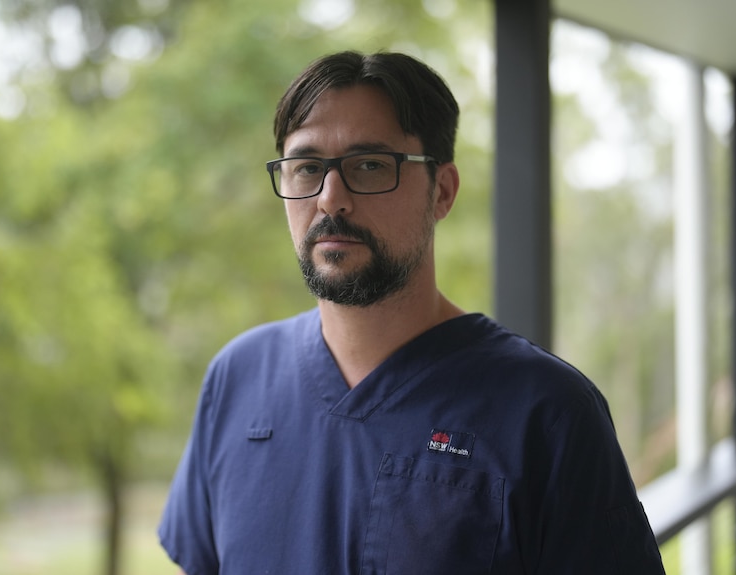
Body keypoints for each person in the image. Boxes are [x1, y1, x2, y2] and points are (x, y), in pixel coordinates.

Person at [159, 50, 666, 575]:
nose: (331, 199)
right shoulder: (238, 379)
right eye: (307, 167)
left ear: (441, 191)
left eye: (371, 166)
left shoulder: (546, 410)